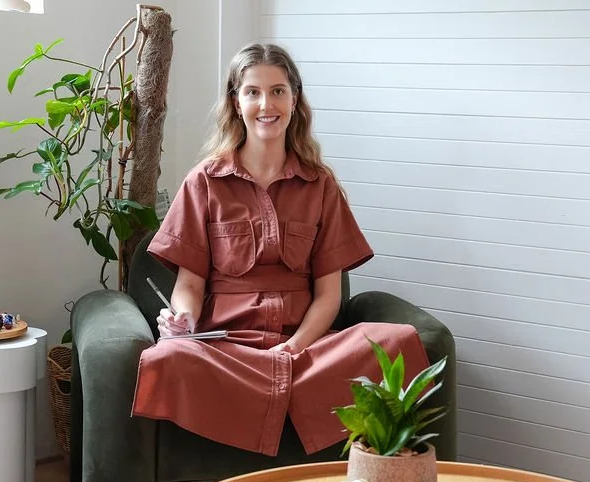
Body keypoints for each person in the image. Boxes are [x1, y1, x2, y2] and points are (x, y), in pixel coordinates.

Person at [131, 43, 430, 456]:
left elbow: (328, 296)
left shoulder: (320, 184)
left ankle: (278, 388)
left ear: (294, 100)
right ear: (236, 103)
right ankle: (280, 393)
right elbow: (190, 285)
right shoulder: (204, 181)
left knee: (398, 341)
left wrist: (294, 348)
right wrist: (181, 319)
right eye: (252, 92)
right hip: (229, 349)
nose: (265, 104)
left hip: (307, 348)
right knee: (167, 358)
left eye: (277, 91)